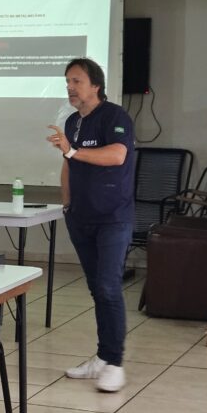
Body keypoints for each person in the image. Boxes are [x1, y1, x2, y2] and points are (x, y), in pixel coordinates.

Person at [47, 57, 134, 392]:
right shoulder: (72, 122)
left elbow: (117, 155)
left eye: (77, 81)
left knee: (109, 287)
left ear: (95, 85)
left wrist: (72, 152)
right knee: (97, 288)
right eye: (67, 82)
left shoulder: (115, 116)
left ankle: (115, 363)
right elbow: (68, 165)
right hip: (80, 217)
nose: (70, 87)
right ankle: (103, 356)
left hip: (112, 217)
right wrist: (67, 204)